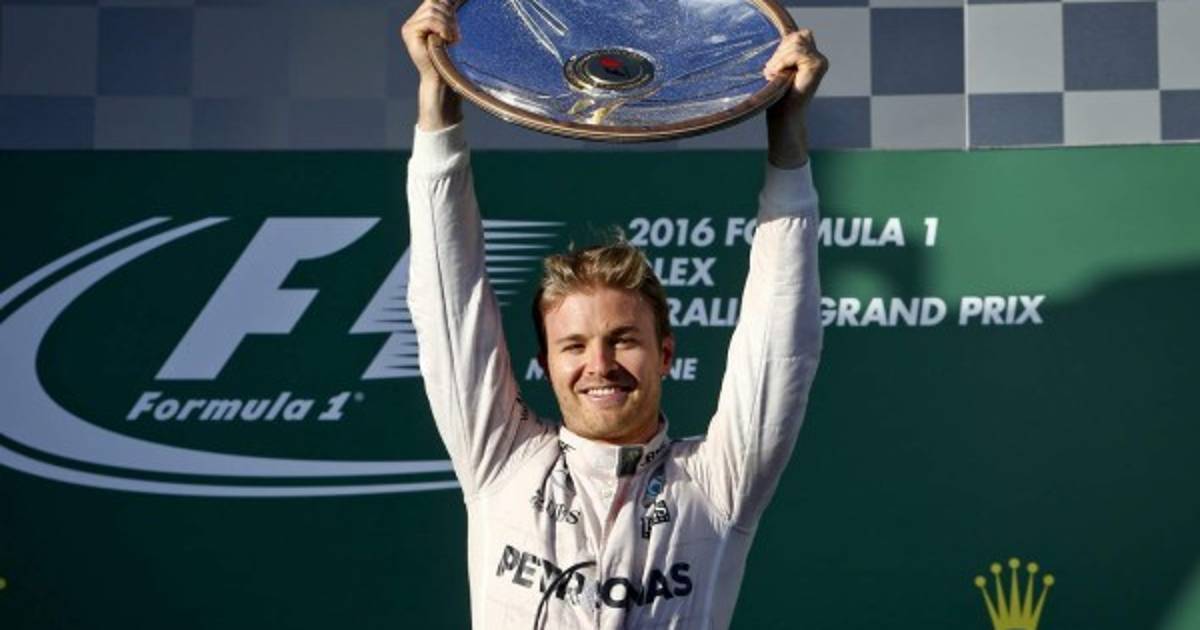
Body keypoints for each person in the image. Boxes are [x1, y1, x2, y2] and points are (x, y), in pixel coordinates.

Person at [402, 1, 827, 627]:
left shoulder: (715, 485)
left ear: (665, 353)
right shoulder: (504, 461)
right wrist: (438, 98)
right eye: (573, 345)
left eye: (623, 339)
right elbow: (448, 307)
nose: (598, 364)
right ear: (546, 363)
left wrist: (786, 128)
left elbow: (779, 340)